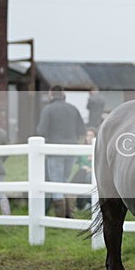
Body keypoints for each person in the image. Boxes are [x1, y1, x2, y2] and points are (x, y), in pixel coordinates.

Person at [36, 85, 86, 218]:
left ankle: (60, 215)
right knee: (64, 180)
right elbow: (82, 130)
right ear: (63, 94)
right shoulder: (73, 108)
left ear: (51, 94)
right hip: (71, 149)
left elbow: (41, 131)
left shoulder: (48, 109)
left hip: (55, 149)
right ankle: (70, 213)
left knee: (56, 182)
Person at [69, 127, 97, 210]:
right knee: (82, 174)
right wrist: (83, 167)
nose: (89, 138)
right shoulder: (82, 149)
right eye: (87, 135)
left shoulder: (98, 149)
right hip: (82, 172)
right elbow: (78, 163)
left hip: (93, 173)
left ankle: (87, 202)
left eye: (91, 135)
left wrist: (91, 169)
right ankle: (79, 204)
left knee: (88, 177)